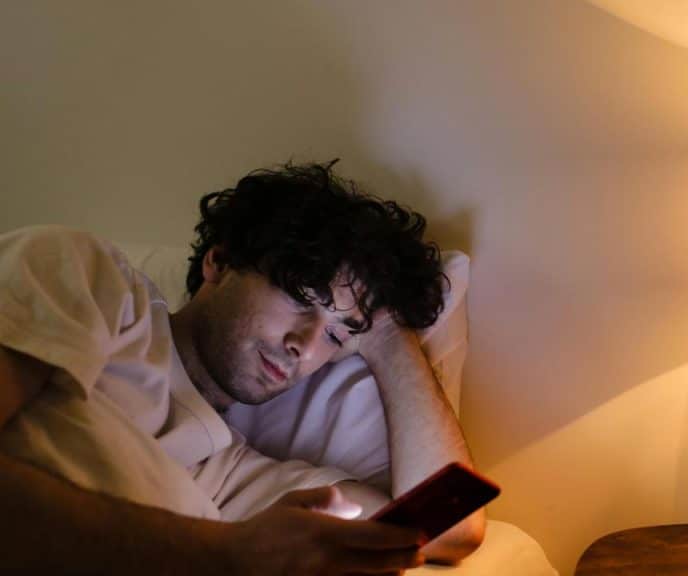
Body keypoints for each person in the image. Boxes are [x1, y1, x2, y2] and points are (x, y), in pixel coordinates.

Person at [0, 161, 484, 575]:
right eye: (300, 297)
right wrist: (227, 555)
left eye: (337, 335)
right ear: (220, 261)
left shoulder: (236, 476)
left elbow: (449, 529)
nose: (305, 346)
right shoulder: (90, 280)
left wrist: (387, 338)